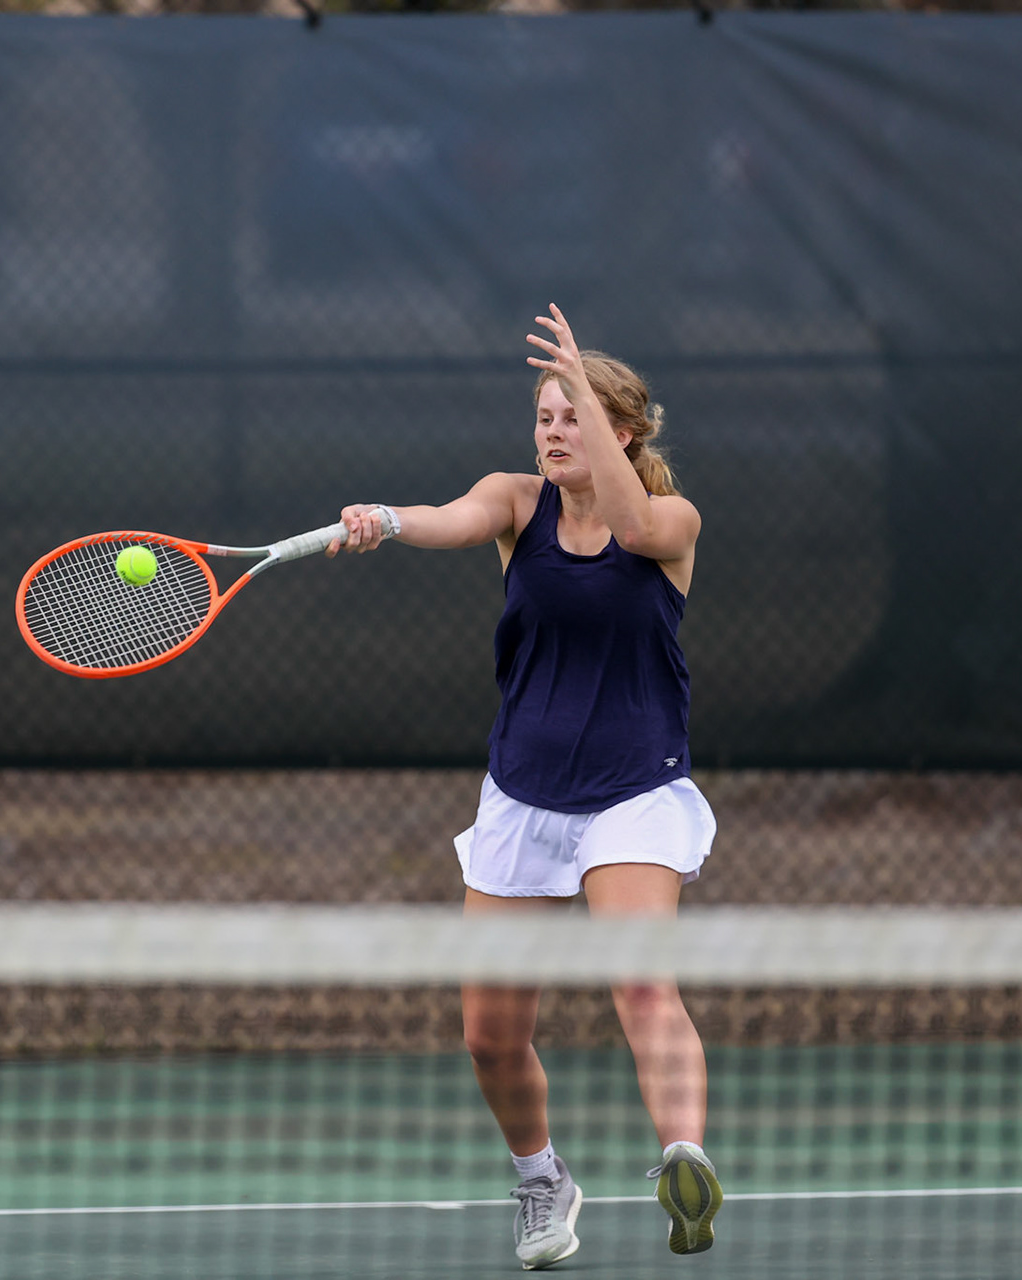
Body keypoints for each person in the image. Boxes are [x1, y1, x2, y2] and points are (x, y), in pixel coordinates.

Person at [328, 304, 721, 1270]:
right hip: (524, 796)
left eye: (572, 417)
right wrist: (385, 519)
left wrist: (589, 391)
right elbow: (449, 519)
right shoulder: (515, 501)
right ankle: (543, 1179)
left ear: (619, 433)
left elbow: (631, 526)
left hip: (635, 793)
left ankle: (685, 1158)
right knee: (488, 1036)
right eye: (544, 417)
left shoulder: (669, 522)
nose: (552, 433)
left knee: (641, 978)